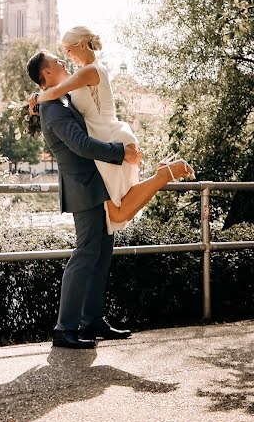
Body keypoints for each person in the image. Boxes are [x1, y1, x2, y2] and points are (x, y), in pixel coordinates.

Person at [26, 49, 193, 350]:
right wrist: (121, 152)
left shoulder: (56, 100)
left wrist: (38, 98)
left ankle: (91, 320)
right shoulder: (53, 108)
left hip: (95, 182)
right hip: (84, 187)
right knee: (86, 253)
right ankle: (64, 329)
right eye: (56, 61)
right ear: (46, 73)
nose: (62, 62)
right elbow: (79, 144)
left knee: (101, 254)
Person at [29, 26, 195, 234]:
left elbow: (54, 93)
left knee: (118, 211)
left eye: (68, 51)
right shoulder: (85, 73)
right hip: (106, 136)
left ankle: (164, 174)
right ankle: (163, 174)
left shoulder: (89, 71)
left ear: (81, 45)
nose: (67, 56)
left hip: (109, 136)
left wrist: (36, 99)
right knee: (117, 211)